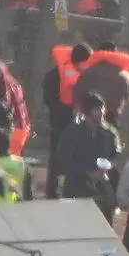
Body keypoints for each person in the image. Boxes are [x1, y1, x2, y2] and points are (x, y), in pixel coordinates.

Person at [54, 93, 123, 224]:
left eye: (102, 108)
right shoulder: (71, 133)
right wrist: (86, 172)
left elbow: (117, 156)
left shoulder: (110, 133)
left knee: (103, 228)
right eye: (97, 109)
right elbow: (62, 161)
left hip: (102, 191)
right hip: (76, 190)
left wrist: (108, 167)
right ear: (87, 111)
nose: (101, 112)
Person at [43, 43, 93, 198]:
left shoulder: (54, 73)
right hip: (70, 120)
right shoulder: (80, 75)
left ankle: (53, 191)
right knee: (72, 155)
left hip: (58, 120)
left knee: (56, 155)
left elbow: (47, 98)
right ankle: (65, 190)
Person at [72, 43, 129, 127]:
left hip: (89, 119)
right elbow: (127, 98)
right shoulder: (126, 77)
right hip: (112, 120)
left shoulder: (87, 73)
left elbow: (77, 95)